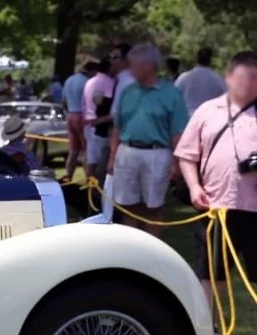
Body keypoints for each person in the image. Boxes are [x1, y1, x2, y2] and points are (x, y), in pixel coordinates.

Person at [175, 50, 257, 312]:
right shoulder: (207, 111)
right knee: (211, 271)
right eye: (243, 77)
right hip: (215, 206)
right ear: (229, 77)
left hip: (255, 207)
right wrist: (194, 186)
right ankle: (205, 326)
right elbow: (187, 155)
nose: (248, 84)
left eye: (255, 78)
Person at [107, 44, 189, 238]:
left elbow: (178, 133)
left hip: (157, 154)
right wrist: (112, 156)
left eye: (134, 65)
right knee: (128, 206)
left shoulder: (171, 94)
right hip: (127, 152)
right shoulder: (128, 92)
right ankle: (131, 250)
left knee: (153, 208)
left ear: (150, 65)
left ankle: (153, 252)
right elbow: (118, 127)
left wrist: (177, 164)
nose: (130, 70)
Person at [61, 59, 96, 182]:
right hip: (82, 117)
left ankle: (68, 177)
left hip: (70, 115)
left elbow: (64, 101)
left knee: (73, 151)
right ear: (92, 70)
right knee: (86, 150)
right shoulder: (88, 82)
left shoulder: (69, 80)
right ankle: (88, 179)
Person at [83, 58, 116, 180]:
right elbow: (106, 104)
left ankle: (89, 187)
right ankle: (96, 188)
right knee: (100, 161)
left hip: (88, 124)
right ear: (109, 68)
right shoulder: (109, 83)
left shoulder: (89, 82)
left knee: (91, 159)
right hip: (101, 126)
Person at [176, 47, 228, 116]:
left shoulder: (184, 77)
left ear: (197, 59)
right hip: (208, 117)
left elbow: (173, 96)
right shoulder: (217, 79)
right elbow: (227, 98)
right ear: (210, 60)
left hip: (187, 117)